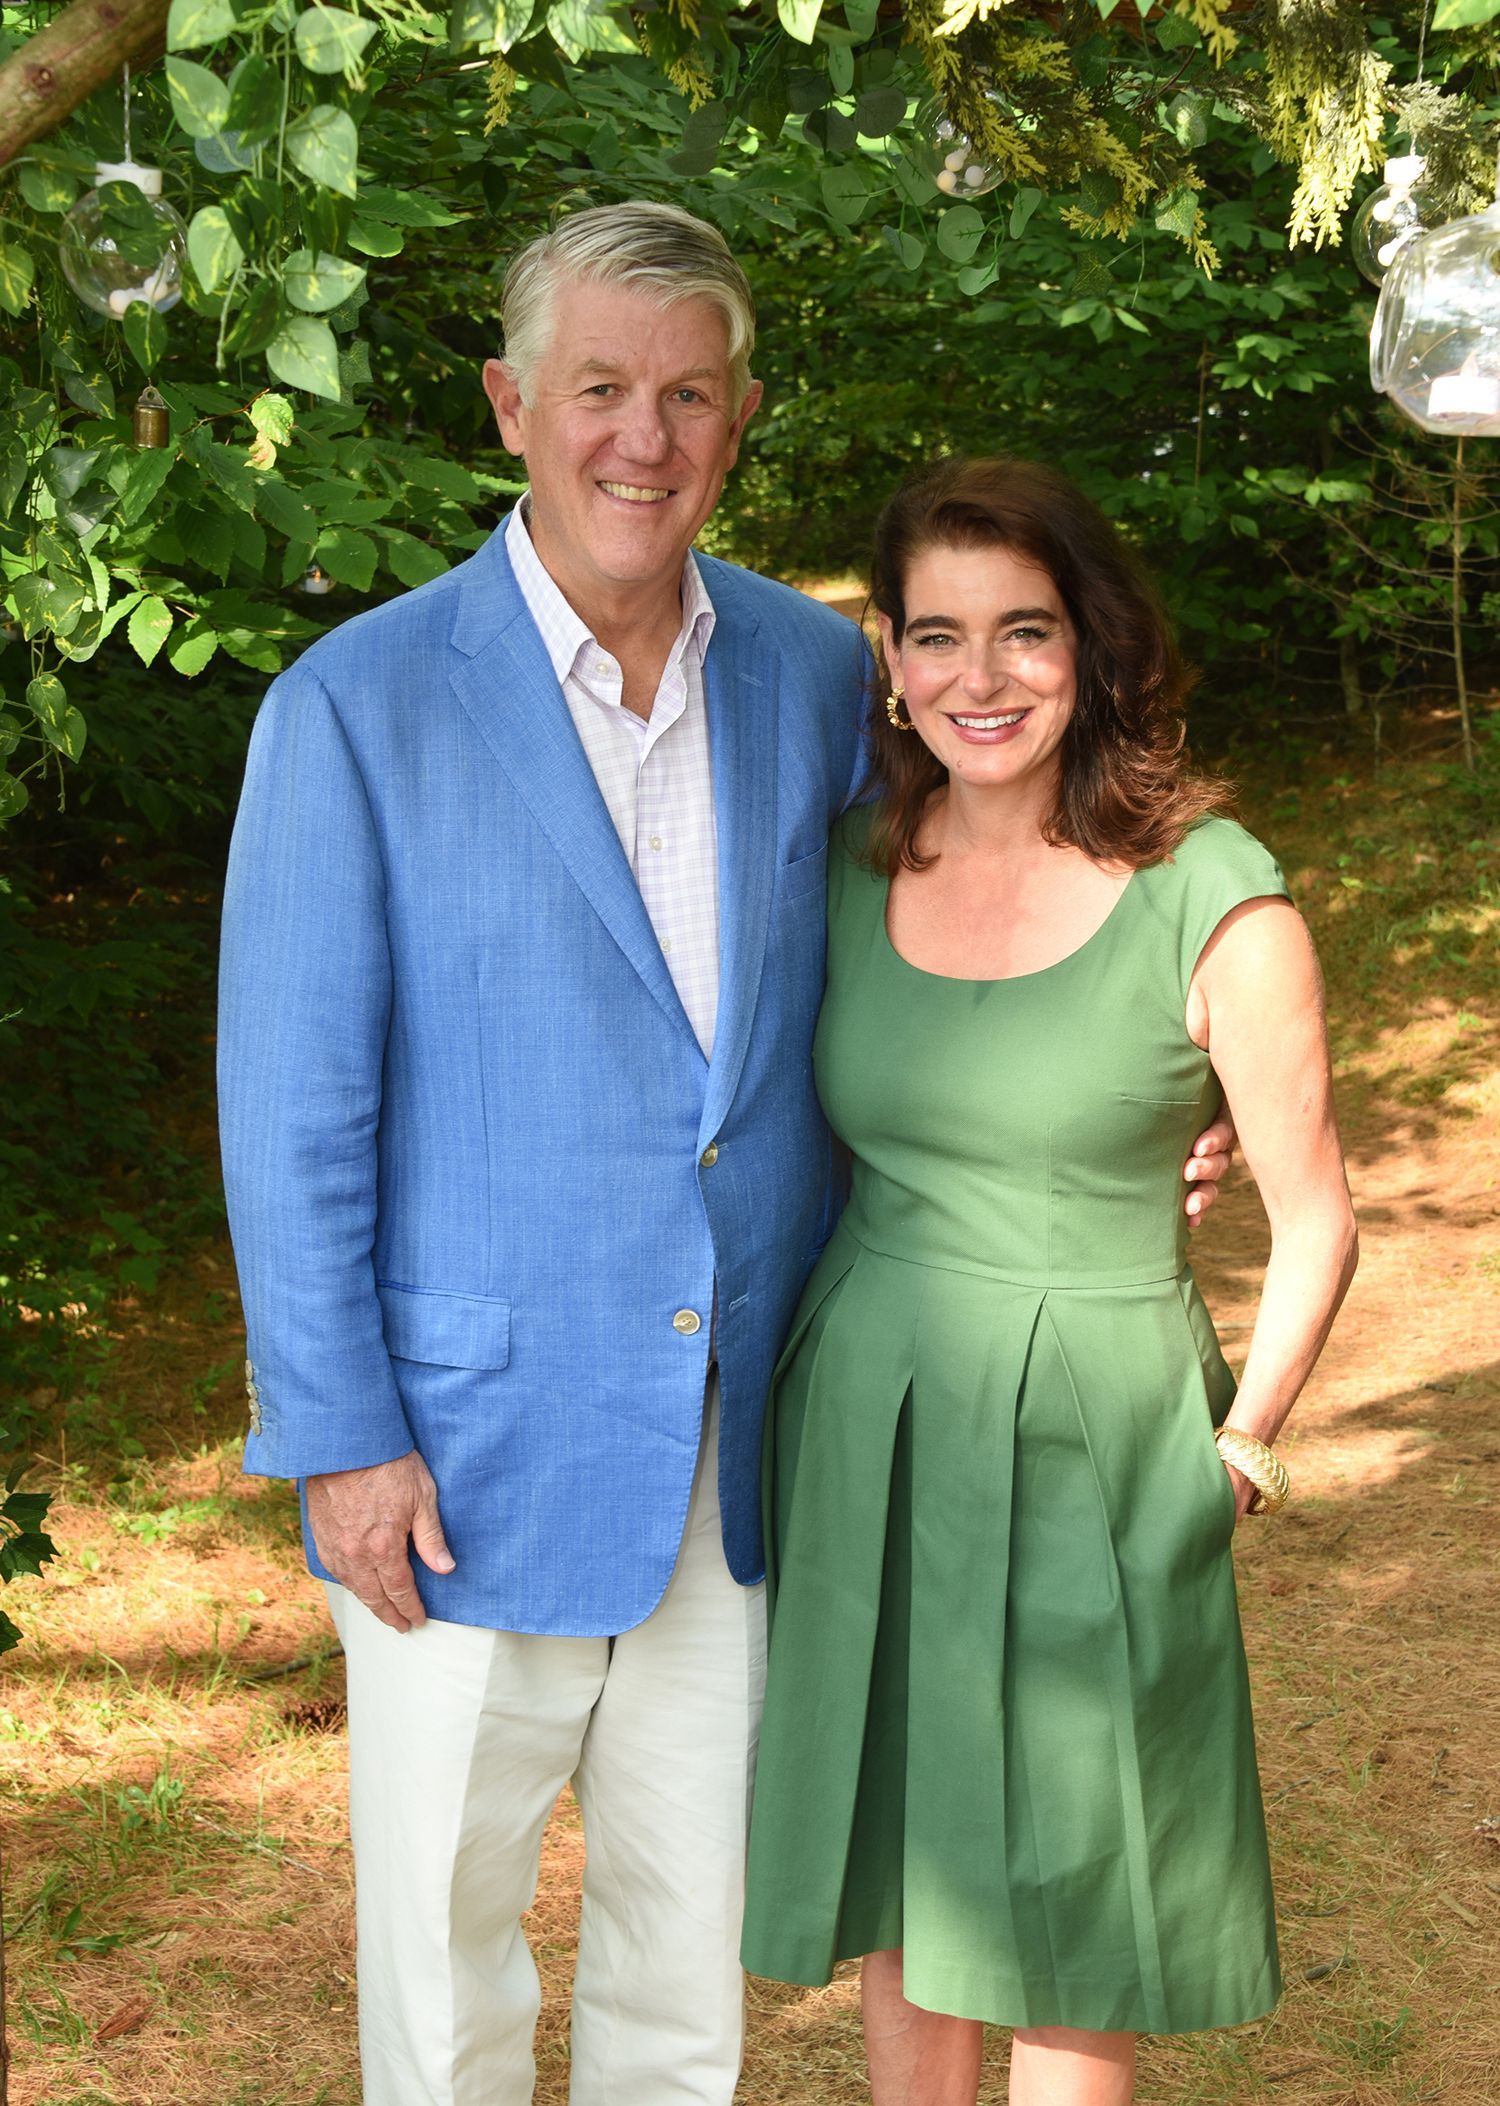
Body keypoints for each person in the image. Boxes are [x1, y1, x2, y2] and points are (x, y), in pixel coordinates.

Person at [217, 206, 1235, 2106]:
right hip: (457, 1453)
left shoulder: (813, 675)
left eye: (687, 395)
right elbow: (290, 1113)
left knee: (689, 1962)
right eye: (600, 388)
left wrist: (1162, 1083)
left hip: (755, 1435)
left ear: (743, 421)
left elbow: (964, 932)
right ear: (515, 404)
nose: (642, 436)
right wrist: (342, 1434)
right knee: (441, 1974)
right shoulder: (355, 707)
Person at [739, 456, 1359, 2106]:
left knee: (1076, 1885)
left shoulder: (1211, 890)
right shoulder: (853, 863)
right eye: (937, 635)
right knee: (909, 1867)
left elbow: (1318, 1218)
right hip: (872, 1410)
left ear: (1089, 644)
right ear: (889, 656)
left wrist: (1244, 1445)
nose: (981, 677)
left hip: (1101, 1419)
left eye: (1024, 631)